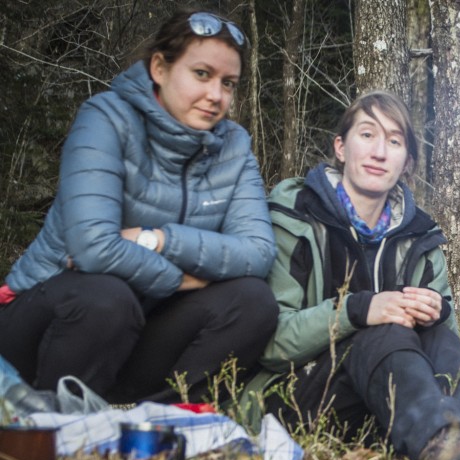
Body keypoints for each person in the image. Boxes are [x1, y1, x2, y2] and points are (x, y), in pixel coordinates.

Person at [245, 90, 460, 460]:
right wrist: (357, 310)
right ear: (341, 147)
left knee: (437, 334)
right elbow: (271, 344)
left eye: (394, 141)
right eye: (367, 135)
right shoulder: (294, 219)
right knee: (383, 330)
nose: (379, 152)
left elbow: (449, 353)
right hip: (298, 394)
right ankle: (444, 453)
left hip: (392, 406)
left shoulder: (419, 236)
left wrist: (437, 313)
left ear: (406, 162)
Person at [0, 10, 277, 404]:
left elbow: (258, 253)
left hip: (137, 332)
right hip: (47, 327)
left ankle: (165, 425)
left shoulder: (233, 146)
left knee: (252, 300)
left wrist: (158, 239)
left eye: (227, 83)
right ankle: (54, 430)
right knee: (107, 297)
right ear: (160, 68)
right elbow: (93, 247)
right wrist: (181, 279)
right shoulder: (106, 119)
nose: (216, 95)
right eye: (201, 74)